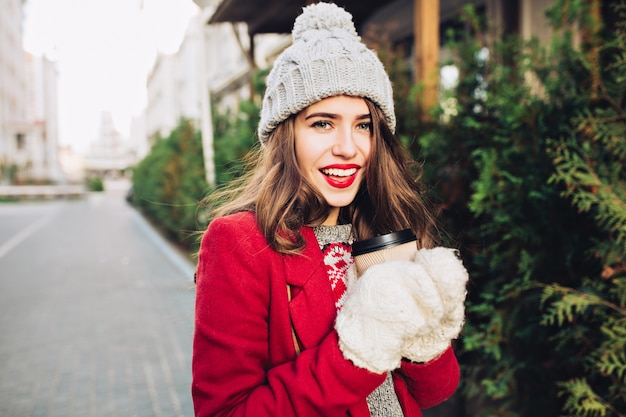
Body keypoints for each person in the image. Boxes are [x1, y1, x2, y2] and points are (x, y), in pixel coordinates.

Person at [192, 2, 469, 416]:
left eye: (363, 125)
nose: (348, 147)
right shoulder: (240, 243)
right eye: (322, 123)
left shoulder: (382, 230)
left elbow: (434, 392)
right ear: (286, 136)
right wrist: (359, 350)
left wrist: (429, 334)